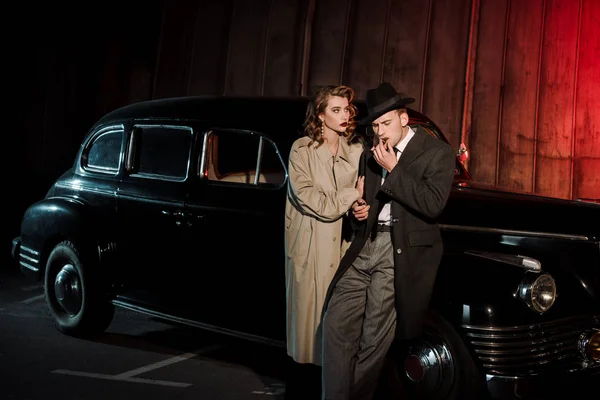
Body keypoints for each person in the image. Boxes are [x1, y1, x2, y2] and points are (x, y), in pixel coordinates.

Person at [321, 82, 456, 400]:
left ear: (404, 119)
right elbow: (368, 205)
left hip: (399, 253)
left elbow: (432, 203)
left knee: (373, 339)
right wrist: (360, 211)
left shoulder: (436, 152)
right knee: (335, 325)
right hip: (365, 245)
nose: (379, 132)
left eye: (386, 123)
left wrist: (394, 169)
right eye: (375, 125)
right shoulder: (370, 154)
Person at [284, 85, 366, 398]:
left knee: (339, 329)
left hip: (343, 249)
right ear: (320, 115)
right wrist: (351, 195)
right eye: (336, 109)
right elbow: (312, 200)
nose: (344, 115)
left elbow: (359, 198)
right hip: (310, 249)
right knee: (307, 335)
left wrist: (359, 207)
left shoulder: (356, 149)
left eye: (347, 109)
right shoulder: (301, 150)